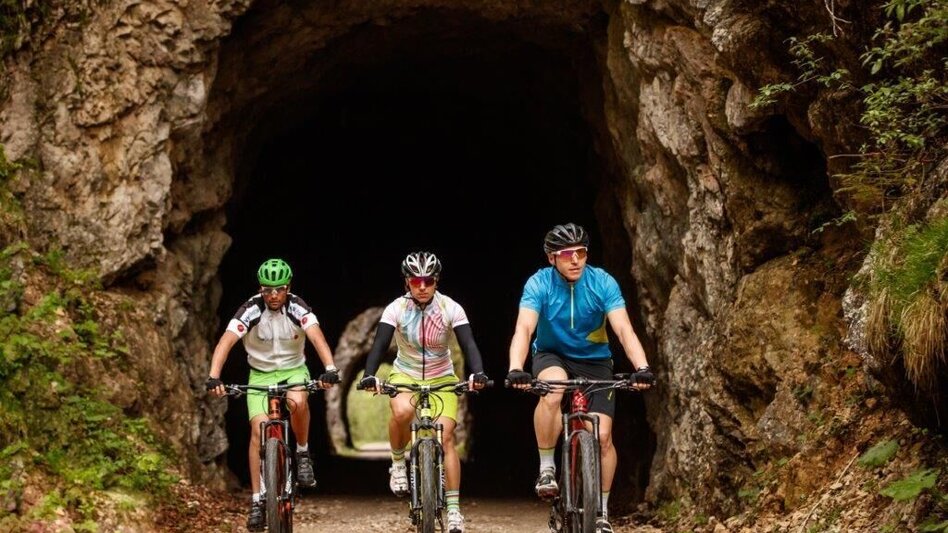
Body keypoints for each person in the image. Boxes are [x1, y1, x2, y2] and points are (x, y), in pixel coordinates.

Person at [506, 223, 655, 533]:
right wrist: (516, 368)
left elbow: (624, 329)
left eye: (581, 253)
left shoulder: (602, 283)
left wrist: (641, 367)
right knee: (553, 390)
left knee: (601, 437)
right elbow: (524, 328)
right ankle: (547, 468)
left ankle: (600, 512)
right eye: (566, 254)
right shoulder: (539, 284)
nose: (575, 260)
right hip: (551, 355)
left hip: (596, 361)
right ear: (551, 259)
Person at [206, 258, 340, 532]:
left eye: (279, 289)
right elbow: (225, 342)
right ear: (261, 289)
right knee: (258, 431)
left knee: (298, 400)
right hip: (260, 375)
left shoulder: (297, 307)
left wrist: (330, 369)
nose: (274, 295)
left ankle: (302, 453)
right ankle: (257, 499)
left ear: (288, 287)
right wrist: (214, 376)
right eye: (268, 290)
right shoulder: (250, 310)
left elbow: (317, 338)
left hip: (294, 370)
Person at [358, 251, 488, 533]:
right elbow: (379, 343)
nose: (422, 286)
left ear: (436, 281)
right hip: (405, 372)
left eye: (428, 280)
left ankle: (453, 511)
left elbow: (468, 343)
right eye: (416, 280)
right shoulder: (396, 309)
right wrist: (369, 375)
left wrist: (477, 372)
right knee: (402, 411)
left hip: (442, 374)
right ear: (407, 282)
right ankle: (397, 463)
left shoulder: (451, 307)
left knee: (447, 436)